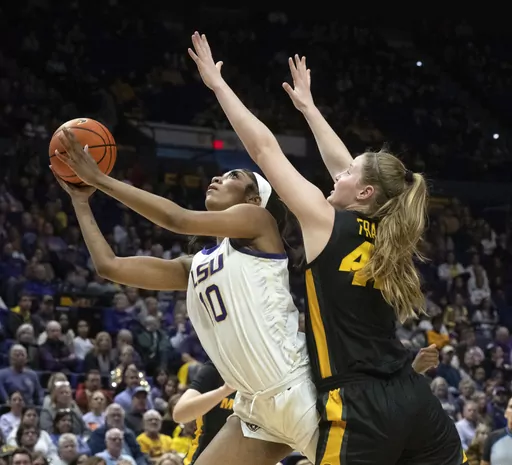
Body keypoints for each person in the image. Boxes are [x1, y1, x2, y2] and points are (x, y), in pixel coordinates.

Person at [188, 32, 465, 465]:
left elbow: (264, 149)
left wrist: (218, 86)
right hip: (414, 398)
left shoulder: (326, 221)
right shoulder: (393, 231)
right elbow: (346, 167)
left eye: (349, 173)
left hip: (358, 404)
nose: (339, 174)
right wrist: (309, 109)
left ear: (365, 191)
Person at [51, 130, 318, 463]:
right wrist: (81, 201)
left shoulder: (259, 223)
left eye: (233, 176)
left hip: (296, 388)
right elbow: (110, 267)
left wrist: (100, 179)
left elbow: (176, 219)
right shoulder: (196, 266)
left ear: (253, 199)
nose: (218, 176)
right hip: (255, 406)